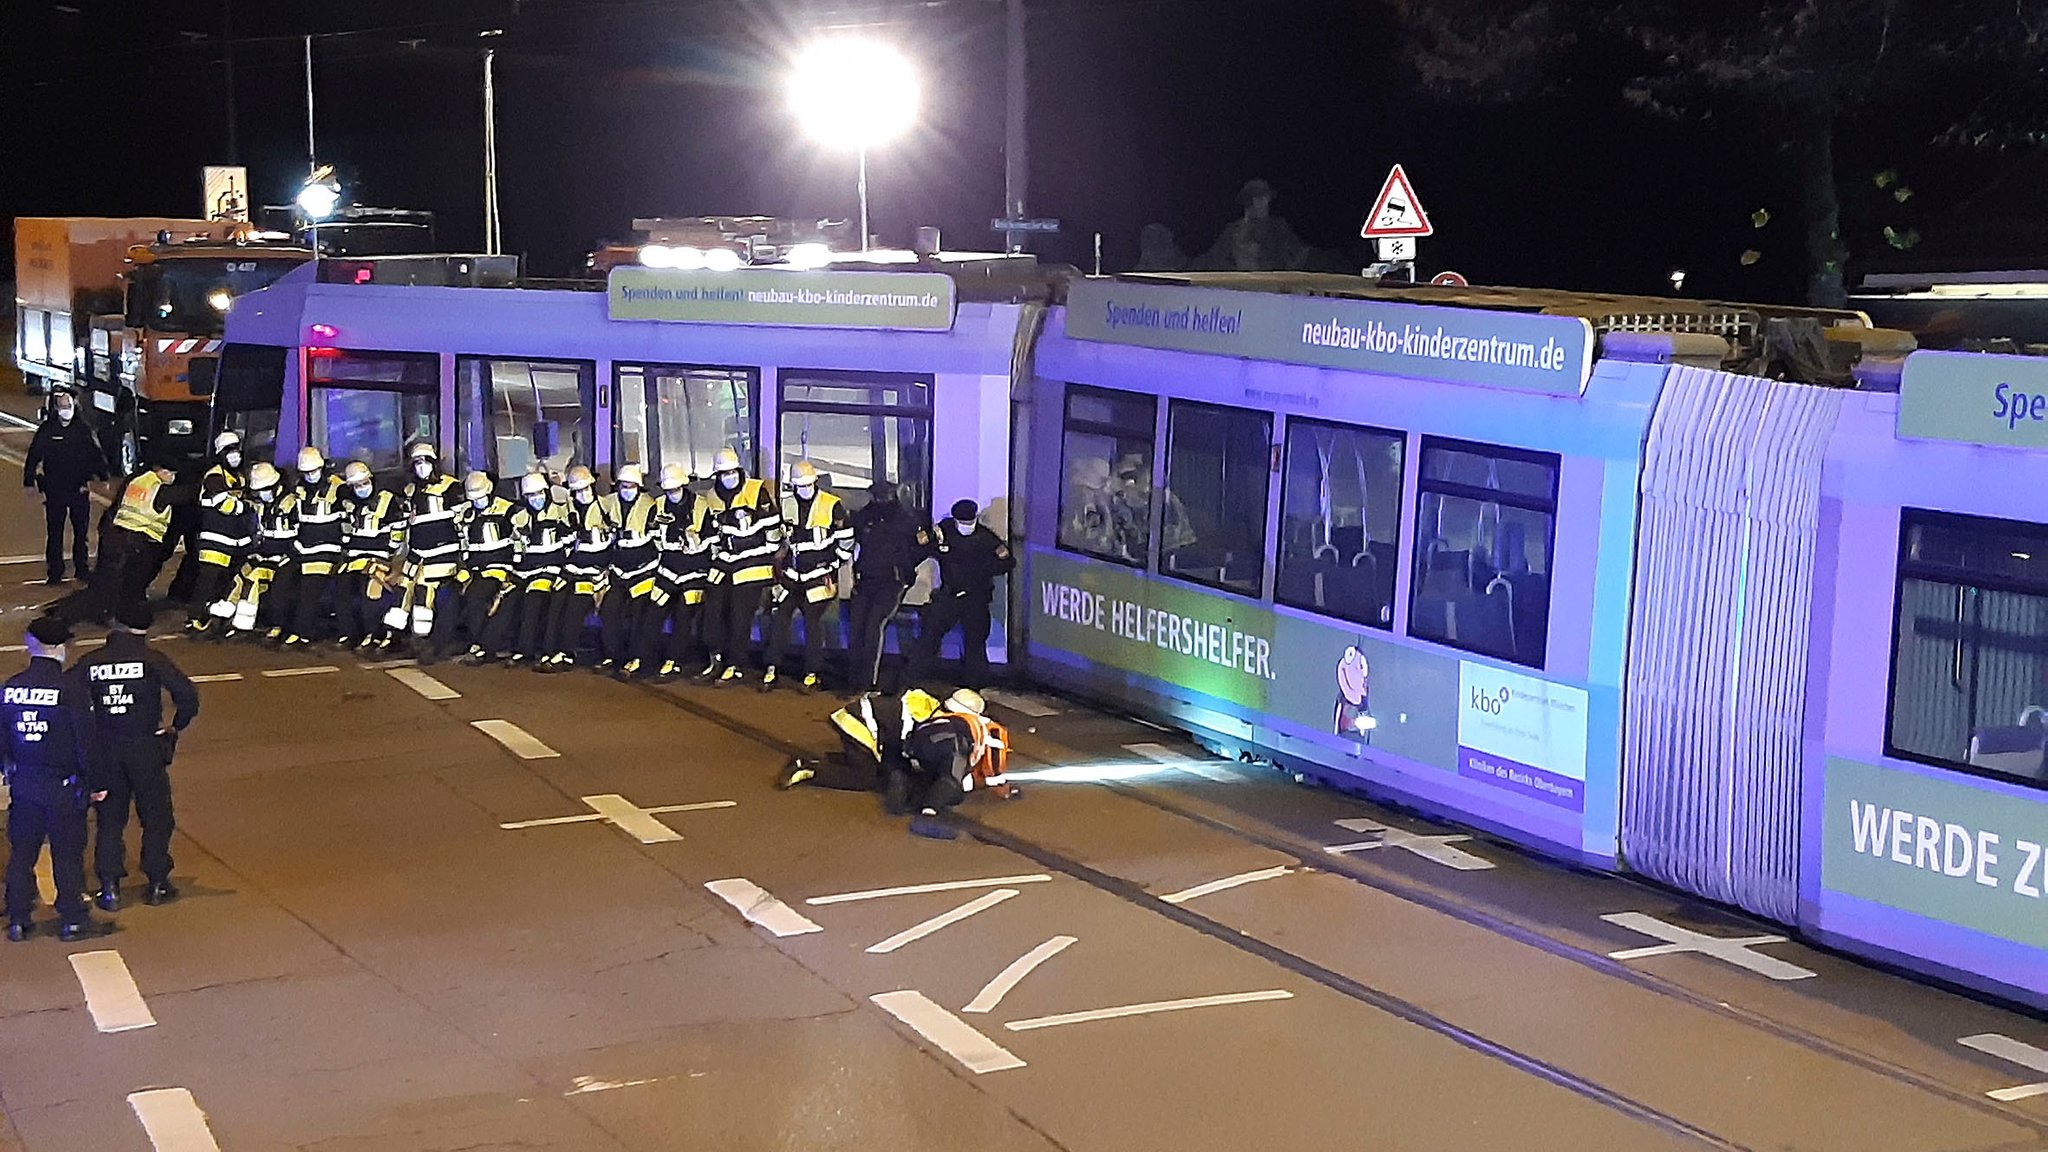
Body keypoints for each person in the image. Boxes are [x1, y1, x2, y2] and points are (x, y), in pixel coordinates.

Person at [84, 602, 198, 910]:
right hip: (146, 748)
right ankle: (158, 882)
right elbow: (187, 696)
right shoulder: (152, 659)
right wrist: (174, 727)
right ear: (145, 630)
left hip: (106, 748)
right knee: (157, 816)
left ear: (115, 625)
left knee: (110, 819)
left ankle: (109, 888)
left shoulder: (92, 661)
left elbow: (71, 699)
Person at [2, 616, 109, 941]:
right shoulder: (70, 691)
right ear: (61, 648)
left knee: (22, 853)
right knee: (66, 855)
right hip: (63, 787)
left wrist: (9, 770)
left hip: (24, 784)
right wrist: (97, 784)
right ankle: (72, 920)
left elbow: (2, 737)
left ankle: (19, 919)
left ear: (29, 645)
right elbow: (85, 744)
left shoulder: (11, 688)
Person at [763, 460, 853, 693]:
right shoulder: (786, 504)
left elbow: (846, 540)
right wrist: (778, 558)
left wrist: (834, 564)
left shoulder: (832, 505)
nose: (802, 489)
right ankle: (772, 668)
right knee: (780, 618)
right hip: (792, 576)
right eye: (798, 485)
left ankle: (812, 673)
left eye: (806, 485)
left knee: (813, 624)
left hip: (819, 576)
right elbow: (780, 537)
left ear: (815, 482)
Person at [698, 448, 782, 686]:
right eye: (723, 473)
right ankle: (715, 658)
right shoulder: (712, 496)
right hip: (724, 563)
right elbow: (713, 533)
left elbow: (772, 528)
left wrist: (771, 556)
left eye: (732, 472)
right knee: (712, 611)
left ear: (739, 470)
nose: (728, 476)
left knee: (739, 614)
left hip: (754, 564)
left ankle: (735, 664)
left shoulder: (756, 491)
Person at [913, 499, 1015, 689]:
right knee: (929, 636)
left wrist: (983, 570)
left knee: (975, 643)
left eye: (968, 522)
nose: (965, 526)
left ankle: (974, 687)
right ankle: (912, 681)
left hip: (976, 598)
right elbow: (923, 545)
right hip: (950, 596)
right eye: (962, 522)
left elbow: (1007, 562)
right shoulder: (945, 531)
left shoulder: (986, 539)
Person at [845, 483, 934, 694]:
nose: (879, 500)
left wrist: (904, 570)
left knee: (874, 625)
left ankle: (868, 683)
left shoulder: (907, 520)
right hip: (866, 579)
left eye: (881, 496)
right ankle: (855, 680)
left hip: (891, 581)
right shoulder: (865, 517)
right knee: (858, 628)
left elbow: (923, 547)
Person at [892, 688, 1015, 839]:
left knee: (932, 779)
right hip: (954, 744)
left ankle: (909, 789)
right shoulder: (985, 725)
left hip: (919, 744)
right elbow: (994, 761)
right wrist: (999, 783)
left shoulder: (938, 715)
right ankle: (928, 815)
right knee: (952, 783)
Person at [777, 687, 944, 793]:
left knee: (880, 766)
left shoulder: (927, 705)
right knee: (864, 778)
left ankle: (816, 761)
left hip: (858, 717)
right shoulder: (925, 723)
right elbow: (907, 748)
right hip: (857, 724)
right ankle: (810, 770)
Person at [484, 470, 571, 667]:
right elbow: (517, 551)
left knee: (533, 601)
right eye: (531, 495)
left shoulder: (560, 514)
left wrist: (562, 571)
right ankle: (487, 648)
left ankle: (527, 651)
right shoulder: (520, 518)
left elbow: (567, 546)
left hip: (550, 570)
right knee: (508, 602)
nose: (536, 499)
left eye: (539, 493)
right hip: (523, 572)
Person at [634, 464, 710, 682]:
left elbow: (713, 539)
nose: (672, 494)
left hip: (695, 572)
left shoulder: (701, 506)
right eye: (668, 490)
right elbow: (655, 537)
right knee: (653, 611)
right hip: (668, 571)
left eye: (675, 489)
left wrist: (696, 541)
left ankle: (674, 662)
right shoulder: (659, 506)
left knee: (684, 614)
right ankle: (644, 659)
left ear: (684, 486)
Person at [22, 390, 107, 586]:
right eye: (61, 407)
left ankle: (82, 568)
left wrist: (102, 477)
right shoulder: (47, 430)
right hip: (54, 489)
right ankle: (55, 572)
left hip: (78, 488)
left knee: (81, 532)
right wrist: (28, 481)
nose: (65, 411)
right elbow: (34, 456)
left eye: (67, 406)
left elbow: (95, 454)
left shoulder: (82, 429)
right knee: (55, 532)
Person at [392, 442, 463, 650]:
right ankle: (392, 636)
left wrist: (463, 560)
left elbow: (463, 524)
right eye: (417, 463)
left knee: (424, 592)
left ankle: (422, 641)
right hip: (416, 555)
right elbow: (404, 524)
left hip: (442, 554)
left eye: (425, 462)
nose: (421, 466)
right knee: (402, 590)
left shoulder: (451, 487)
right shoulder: (410, 490)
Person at [442, 471, 516, 665]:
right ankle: (450, 641)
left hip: (499, 568)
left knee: (475, 596)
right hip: (473, 568)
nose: (478, 501)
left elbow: (518, 543)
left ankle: (481, 645)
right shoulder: (466, 514)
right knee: (452, 593)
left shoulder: (508, 510)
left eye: (481, 497)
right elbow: (465, 545)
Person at [545, 465, 613, 671]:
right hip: (571, 570)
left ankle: (567, 653)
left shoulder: (607, 507)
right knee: (555, 601)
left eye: (586, 488)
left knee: (575, 606)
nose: (583, 494)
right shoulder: (568, 510)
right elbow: (564, 542)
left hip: (595, 573)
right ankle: (551, 651)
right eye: (578, 490)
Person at [598, 464, 662, 676]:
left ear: (639, 487)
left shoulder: (650, 505)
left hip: (644, 570)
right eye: (623, 486)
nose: (626, 489)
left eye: (631, 486)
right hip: (619, 570)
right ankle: (613, 655)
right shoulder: (609, 503)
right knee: (609, 608)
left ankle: (638, 658)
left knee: (639, 611)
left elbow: (658, 542)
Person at [279, 446, 347, 647]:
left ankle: (303, 634)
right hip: (303, 549)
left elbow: (349, 519)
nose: (310, 476)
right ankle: (279, 627)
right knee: (282, 581)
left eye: (313, 471)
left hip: (327, 550)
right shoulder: (299, 490)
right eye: (306, 472)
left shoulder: (338, 488)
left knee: (308, 591)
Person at [336, 461, 405, 651]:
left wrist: (389, 554)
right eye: (356, 486)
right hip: (354, 559)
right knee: (343, 589)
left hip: (380, 557)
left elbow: (398, 532)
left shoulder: (388, 501)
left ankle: (374, 634)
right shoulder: (348, 504)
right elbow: (346, 532)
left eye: (364, 483)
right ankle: (349, 635)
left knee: (372, 592)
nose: (361, 488)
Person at [219, 462, 292, 640]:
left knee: (253, 579)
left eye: (265, 489)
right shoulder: (260, 504)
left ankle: (244, 626)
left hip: (283, 557)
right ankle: (222, 618)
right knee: (239, 578)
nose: (262, 493)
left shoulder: (290, 503)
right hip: (262, 554)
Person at [185, 433, 249, 637]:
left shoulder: (238, 475)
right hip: (214, 541)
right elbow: (225, 504)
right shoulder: (214, 476)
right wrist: (247, 507)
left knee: (224, 584)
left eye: (236, 449)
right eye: (229, 450)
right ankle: (195, 620)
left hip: (233, 542)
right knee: (207, 583)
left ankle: (216, 620)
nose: (235, 455)